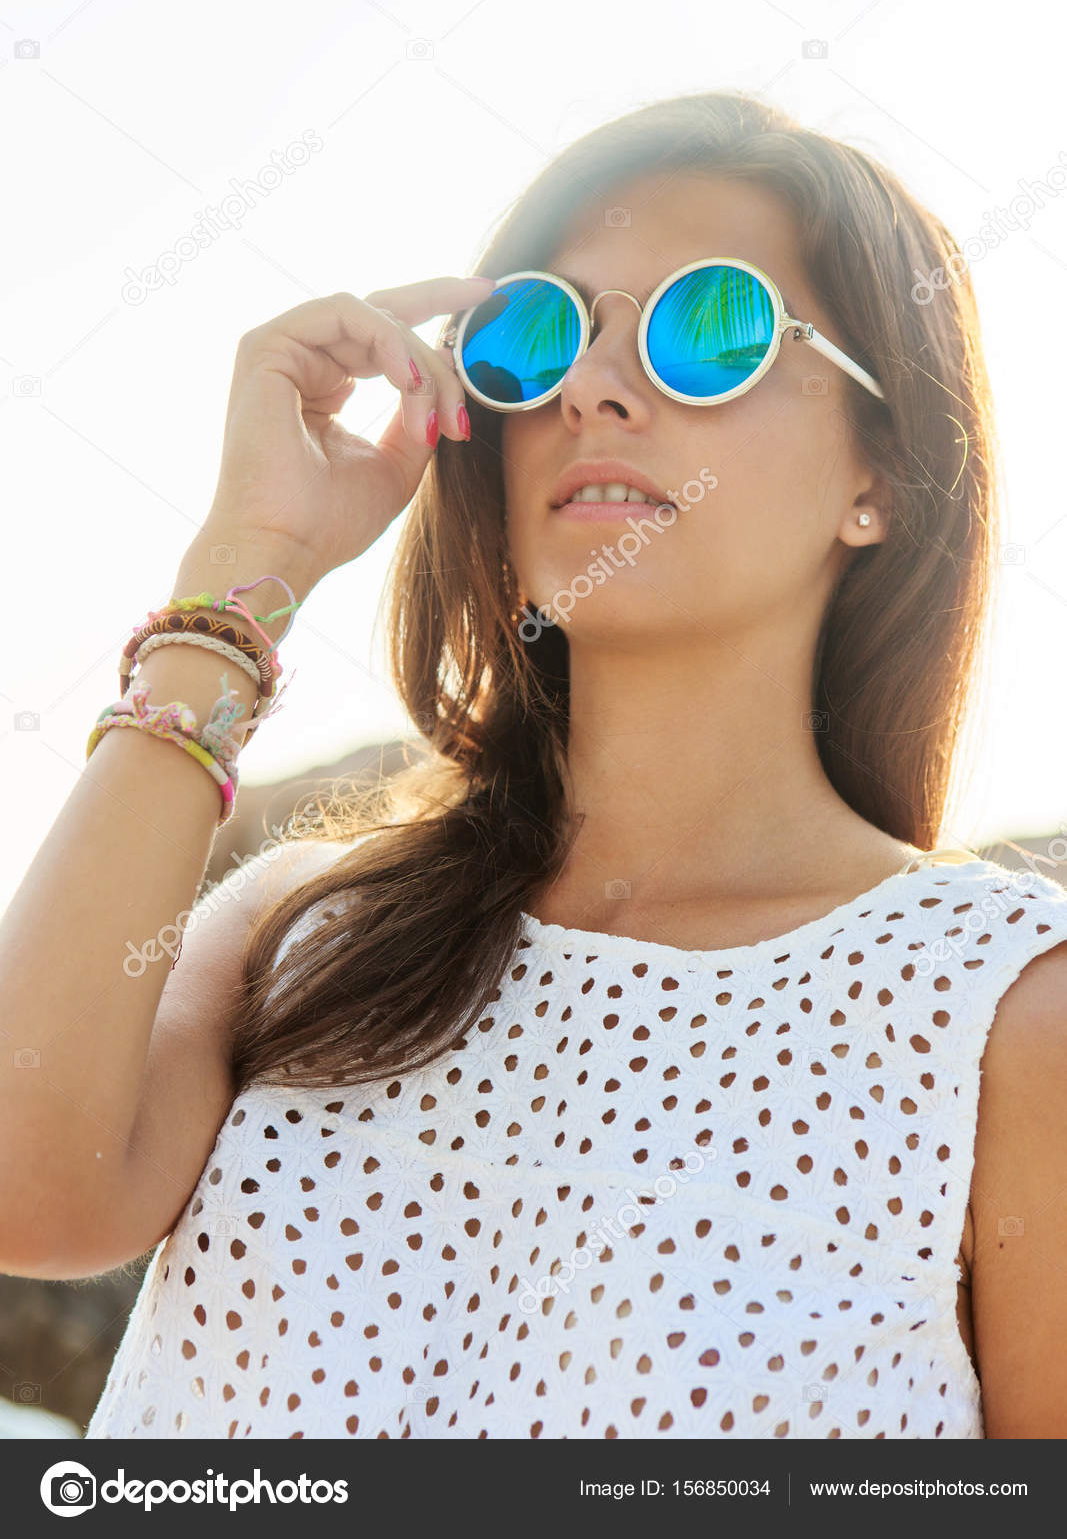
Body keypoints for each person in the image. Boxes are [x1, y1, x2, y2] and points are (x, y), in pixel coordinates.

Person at [2, 92, 1066, 1442]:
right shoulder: (304, 929)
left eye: (710, 328)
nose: (592, 389)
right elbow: (26, 1190)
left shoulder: (1001, 1011)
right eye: (537, 337)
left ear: (883, 480)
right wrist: (244, 569)